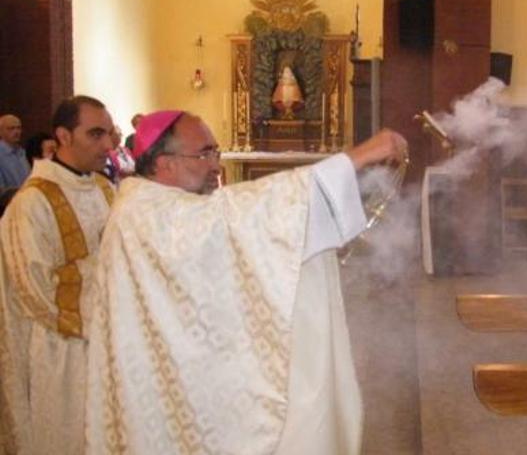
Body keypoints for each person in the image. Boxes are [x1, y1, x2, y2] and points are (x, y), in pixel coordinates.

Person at [85, 111, 407, 454]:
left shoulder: (158, 207)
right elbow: (240, 218)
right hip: (164, 393)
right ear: (166, 164)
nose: (215, 166)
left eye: (216, 153)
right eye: (204, 154)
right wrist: (356, 157)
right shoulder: (145, 213)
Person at [0, 96, 115, 454]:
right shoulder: (31, 202)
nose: (108, 146)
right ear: (63, 136)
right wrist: (115, 289)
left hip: (104, 342)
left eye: (109, 134)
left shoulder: (103, 189)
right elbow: (35, 289)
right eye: (95, 134)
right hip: (59, 349)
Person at [0, 114, 30, 190]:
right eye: (11, 128)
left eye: (18, 128)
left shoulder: (23, 153)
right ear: (1, 131)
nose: (16, 132)